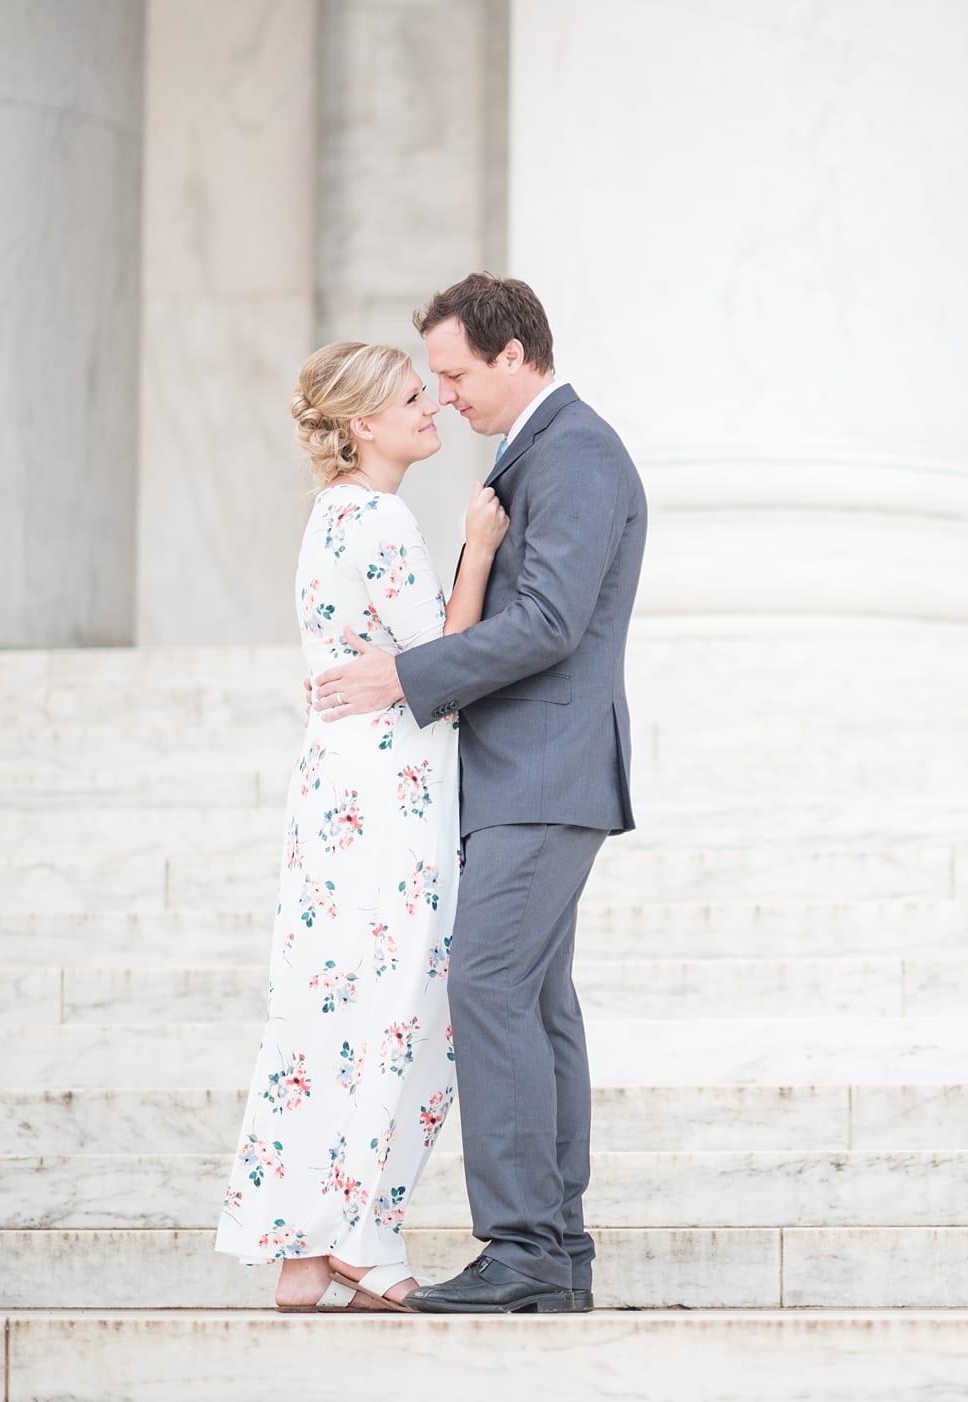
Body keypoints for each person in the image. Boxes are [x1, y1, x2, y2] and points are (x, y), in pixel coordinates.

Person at [313, 274, 648, 1314]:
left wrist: (404, 678)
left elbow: (549, 622)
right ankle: (556, 1252)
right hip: (521, 777)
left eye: (454, 374)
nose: (445, 395)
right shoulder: (533, 453)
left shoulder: (577, 451)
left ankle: (522, 1248)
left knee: (491, 989)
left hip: (543, 777)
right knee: (537, 1005)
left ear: (514, 355)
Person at [215, 340, 509, 1312]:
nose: (431, 404)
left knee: (326, 998)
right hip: (389, 791)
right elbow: (447, 660)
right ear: (360, 425)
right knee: (401, 1001)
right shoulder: (379, 518)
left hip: (340, 785)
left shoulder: (330, 516)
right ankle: (359, 1228)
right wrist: (479, 545)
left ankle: (303, 1248)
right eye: (409, 396)